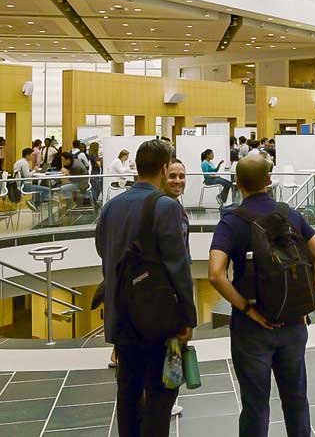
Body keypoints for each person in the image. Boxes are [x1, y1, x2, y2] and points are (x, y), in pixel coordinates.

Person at [208, 155, 315, 437]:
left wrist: (247, 309)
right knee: (297, 401)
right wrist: (305, 302)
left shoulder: (231, 222)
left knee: (255, 405)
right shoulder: (290, 215)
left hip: (252, 329)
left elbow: (215, 273)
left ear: (237, 184)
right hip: (293, 324)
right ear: (269, 181)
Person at [95, 140, 196, 437]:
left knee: (127, 391)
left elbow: (104, 250)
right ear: (165, 168)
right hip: (156, 318)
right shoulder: (166, 207)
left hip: (120, 312)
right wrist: (187, 317)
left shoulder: (111, 206)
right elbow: (178, 266)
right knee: (160, 394)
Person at [14, 147, 50, 212]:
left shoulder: (19, 161)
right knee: (47, 190)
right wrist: (34, 170)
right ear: (27, 155)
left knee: (38, 188)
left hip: (21, 185)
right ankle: (35, 204)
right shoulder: (24, 163)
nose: (32, 157)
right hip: (25, 186)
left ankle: (35, 203)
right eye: (32, 155)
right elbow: (27, 176)